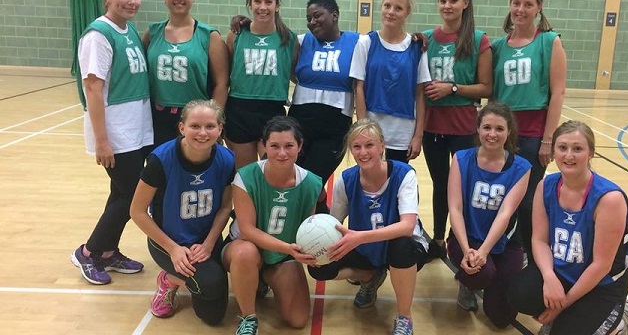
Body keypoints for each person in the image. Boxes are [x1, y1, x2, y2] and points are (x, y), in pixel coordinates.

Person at [507, 120, 628, 335]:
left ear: (591, 153)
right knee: (520, 294)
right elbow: (539, 240)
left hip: (601, 284)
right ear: (553, 151)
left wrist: (560, 307)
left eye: (577, 149)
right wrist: (549, 278)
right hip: (562, 272)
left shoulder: (609, 199)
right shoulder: (546, 186)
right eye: (562, 148)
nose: (569, 155)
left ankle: (623, 320)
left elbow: (601, 265)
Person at [308, 118, 429, 335]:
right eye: (357, 146)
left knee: (401, 246)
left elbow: (407, 227)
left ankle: (404, 317)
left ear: (382, 146)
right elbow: (334, 225)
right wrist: (313, 239)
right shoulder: (346, 179)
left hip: (401, 246)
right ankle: (370, 277)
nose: (363, 152)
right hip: (365, 247)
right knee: (319, 265)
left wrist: (360, 237)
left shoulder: (404, 174)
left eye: (369, 145)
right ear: (351, 150)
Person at [70, 0, 153, 285]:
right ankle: (89, 252)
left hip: (137, 130)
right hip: (116, 134)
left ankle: (107, 252)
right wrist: (102, 141)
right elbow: (92, 89)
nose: (131, 1)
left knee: (120, 194)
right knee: (134, 198)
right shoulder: (98, 35)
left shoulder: (128, 30)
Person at [129, 100, 233, 324]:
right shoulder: (161, 159)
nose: (203, 133)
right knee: (211, 284)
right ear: (182, 128)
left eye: (210, 126)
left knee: (213, 316)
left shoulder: (226, 159)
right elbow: (137, 212)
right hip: (169, 242)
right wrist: (173, 249)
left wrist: (209, 243)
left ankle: (188, 278)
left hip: (204, 241)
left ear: (220, 129)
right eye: (195, 126)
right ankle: (169, 280)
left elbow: (226, 206)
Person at [223, 116, 322, 335]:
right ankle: (249, 317)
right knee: (246, 253)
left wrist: (313, 251)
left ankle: (262, 278)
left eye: (289, 146)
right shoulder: (245, 176)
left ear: (300, 146)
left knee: (297, 320)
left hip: (282, 256)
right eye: (274, 146)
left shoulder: (312, 183)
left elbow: (308, 228)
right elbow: (247, 230)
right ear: (264, 146)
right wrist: (288, 249)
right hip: (245, 247)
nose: (282, 153)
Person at [492, 0, 567, 263]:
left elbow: (557, 92)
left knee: (527, 201)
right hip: (502, 132)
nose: (520, 9)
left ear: (538, 8)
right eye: (516, 3)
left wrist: (549, 138)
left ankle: (526, 253)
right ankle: (500, 250)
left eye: (528, 4)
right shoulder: (498, 46)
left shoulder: (549, 42)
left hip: (534, 132)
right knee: (500, 197)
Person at [422, 0, 493, 260]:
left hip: (463, 125)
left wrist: (451, 88)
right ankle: (438, 240)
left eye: (453, 0)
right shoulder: (426, 39)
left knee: (463, 189)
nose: (447, 5)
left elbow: (486, 88)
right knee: (440, 185)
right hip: (432, 126)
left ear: (465, 3)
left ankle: (461, 243)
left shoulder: (478, 39)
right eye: (443, 0)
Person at [447, 102, 530, 326]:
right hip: (468, 236)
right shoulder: (461, 159)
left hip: (504, 240)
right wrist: (467, 250)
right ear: (478, 128)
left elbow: (506, 212)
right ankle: (469, 282)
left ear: (509, 132)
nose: (492, 134)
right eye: (487, 127)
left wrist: (483, 252)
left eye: (499, 129)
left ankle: (501, 272)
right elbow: (454, 207)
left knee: (502, 318)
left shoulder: (522, 167)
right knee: (482, 274)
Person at [289, 0, 360, 213]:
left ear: (335, 15)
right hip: (300, 121)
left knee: (311, 182)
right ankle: (317, 219)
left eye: (317, 15)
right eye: (309, 18)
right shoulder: (300, 42)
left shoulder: (358, 41)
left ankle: (314, 229)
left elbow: (391, 39)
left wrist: (416, 38)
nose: (312, 22)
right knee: (294, 179)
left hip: (335, 126)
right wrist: (241, 22)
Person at [350, 0, 431, 164]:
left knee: (396, 185)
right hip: (372, 129)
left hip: (402, 135)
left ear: (407, 12)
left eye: (398, 8)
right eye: (387, 6)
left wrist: (418, 136)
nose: (391, 12)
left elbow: (420, 95)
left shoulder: (416, 47)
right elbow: (359, 88)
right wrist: (362, 129)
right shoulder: (366, 43)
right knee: (370, 185)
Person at [143, 0, 229, 146]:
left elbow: (222, 83)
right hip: (157, 118)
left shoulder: (209, 35)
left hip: (197, 119)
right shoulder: (152, 33)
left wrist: (213, 120)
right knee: (162, 169)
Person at [225, 0, 297, 169]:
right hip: (239, 110)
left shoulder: (289, 39)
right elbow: (226, 74)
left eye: (268, 2)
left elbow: (295, 75)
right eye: (257, 1)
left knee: (272, 174)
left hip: (272, 111)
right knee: (245, 176)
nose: (262, 7)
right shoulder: (236, 34)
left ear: (277, 5)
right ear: (249, 4)